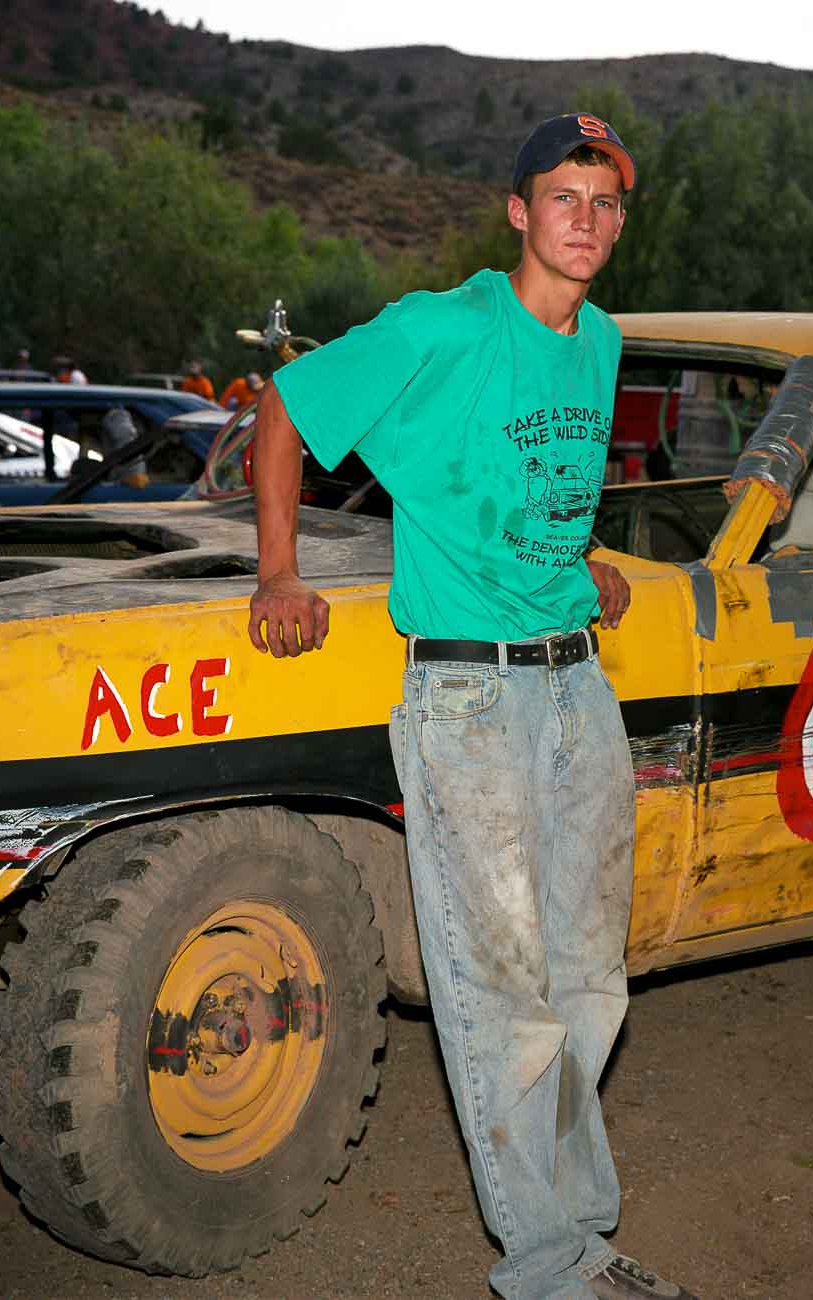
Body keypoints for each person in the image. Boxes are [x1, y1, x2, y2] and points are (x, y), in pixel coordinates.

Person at [247, 113, 700, 1300]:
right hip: (467, 692)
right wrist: (280, 571)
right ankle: (550, 1263)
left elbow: (532, 482)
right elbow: (286, 410)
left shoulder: (599, 341)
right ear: (518, 210)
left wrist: (581, 559)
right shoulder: (440, 324)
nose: (587, 222)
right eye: (564, 198)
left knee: (589, 980)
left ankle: (581, 1227)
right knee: (499, 988)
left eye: (605, 203)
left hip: (572, 682)